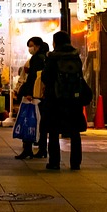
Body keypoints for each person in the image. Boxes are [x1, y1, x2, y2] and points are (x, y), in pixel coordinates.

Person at [38, 30, 86, 171]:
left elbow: (46, 77)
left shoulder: (52, 57)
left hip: (55, 99)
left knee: (53, 131)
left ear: (55, 42)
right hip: (73, 99)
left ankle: (54, 162)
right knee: (74, 132)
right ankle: (75, 163)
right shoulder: (76, 56)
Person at [15, 36, 49, 160]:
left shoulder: (37, 59)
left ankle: (28, 149)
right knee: (41, 122)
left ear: (38, 46)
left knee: (29, 120)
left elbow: (33, 78)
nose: (30, 48)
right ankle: (42, 149)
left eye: (31, 45)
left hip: (34, 94)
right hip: (42, 95)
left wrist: (28, 92)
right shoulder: (45, 57)